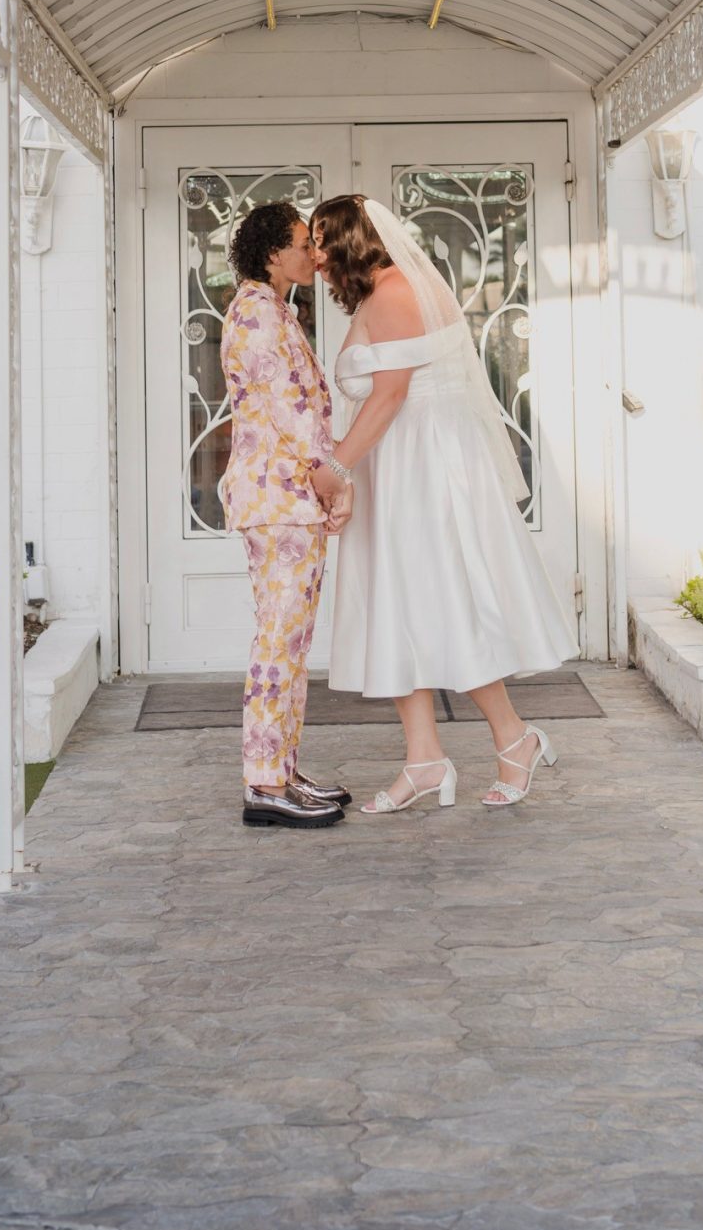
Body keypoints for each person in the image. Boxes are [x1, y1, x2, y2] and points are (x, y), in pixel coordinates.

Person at [308, 193, 577, 814]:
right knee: (399, 608)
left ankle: (515, 737)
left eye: (322, 240)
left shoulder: (395, 292)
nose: (316, 255)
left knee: (444, 604)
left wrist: (337, 467)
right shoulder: (380, 294)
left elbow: (391, 395)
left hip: (422, 472)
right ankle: (424, 758)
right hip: (395, 467)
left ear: (352, 239)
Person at [217, 201, 355, 830]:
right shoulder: (256, 312)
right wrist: (331, 474)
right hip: (277, 498)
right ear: (274, 251)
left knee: (292, 643)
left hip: (286, 496)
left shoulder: (273, 309)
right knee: (279, 640)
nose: (314, 254)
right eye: (304, 243)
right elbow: (290, 409)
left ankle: (282, 770)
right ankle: (266, 783)